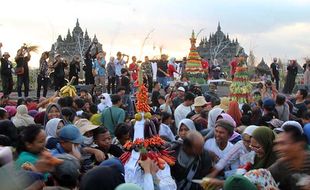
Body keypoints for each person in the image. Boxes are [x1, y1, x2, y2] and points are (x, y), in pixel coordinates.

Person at [269, 121, 310, 190]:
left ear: (299, 145)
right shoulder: (282, 165)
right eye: (277, 144)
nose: (277, 148)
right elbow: (263, 176)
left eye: (283, 143)